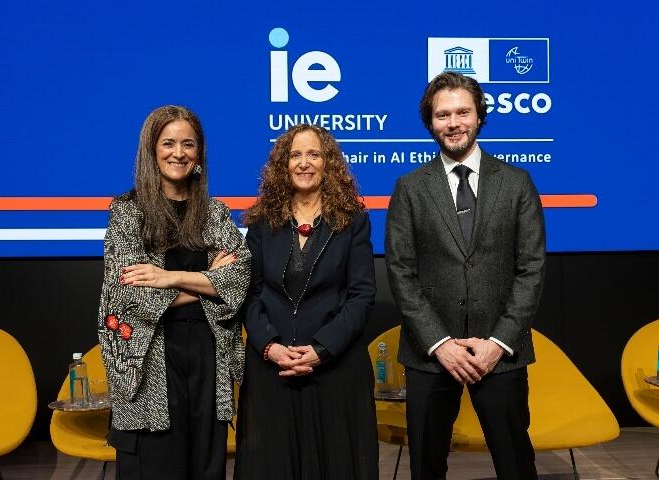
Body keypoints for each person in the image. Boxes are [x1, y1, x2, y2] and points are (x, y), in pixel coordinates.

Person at [385, 72, 546, 480]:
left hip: (501, 355)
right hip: (431, 355)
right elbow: (401, 272)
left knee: (515, 463)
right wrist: (440, 344)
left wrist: (498, 343)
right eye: (442, 115)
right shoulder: (409, 188)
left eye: (462, 112)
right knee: (426, 465)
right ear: (430, 122)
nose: (453, 122)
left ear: (479, 117)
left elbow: (531, 270)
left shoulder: (516, 183)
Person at [97, 105, 251, 480]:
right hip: (149, 360)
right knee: (156, 465)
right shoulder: (127, 213)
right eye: (168, 143)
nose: (178, 153)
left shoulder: (214, 213)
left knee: (205, 466)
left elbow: (241, 278)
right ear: (151, 150)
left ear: (199, 154)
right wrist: (206, 285)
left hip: (207, 356)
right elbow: (129, 298)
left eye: (188, 144)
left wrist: (169, 277)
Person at [234, 124, 378, 480]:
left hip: (335, 370)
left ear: (328, 162)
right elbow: (249, 295)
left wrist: (321, 349)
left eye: (313, 154)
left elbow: (361, 296)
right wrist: (270, 347)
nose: (304, 163)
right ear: (283, 165)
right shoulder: (262, 221)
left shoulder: (353, 221)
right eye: (295, 155)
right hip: (273, 370)